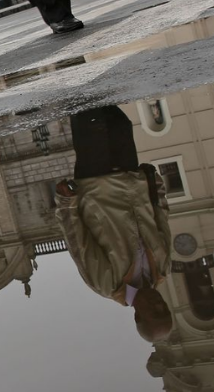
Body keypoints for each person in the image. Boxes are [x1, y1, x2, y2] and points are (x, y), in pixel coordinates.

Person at [56, 105, 174, 343]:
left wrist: (66, 203)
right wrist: (155, 186)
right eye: (165, 310)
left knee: (88, 116)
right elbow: (161, 219)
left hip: (96, 183)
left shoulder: (106, 285)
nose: (159, 305)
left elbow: (79, 243)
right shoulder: (162, 269)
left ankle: (68, 72)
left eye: (155, 313)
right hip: (131, 179)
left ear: (137, 317)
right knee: (118, 121)